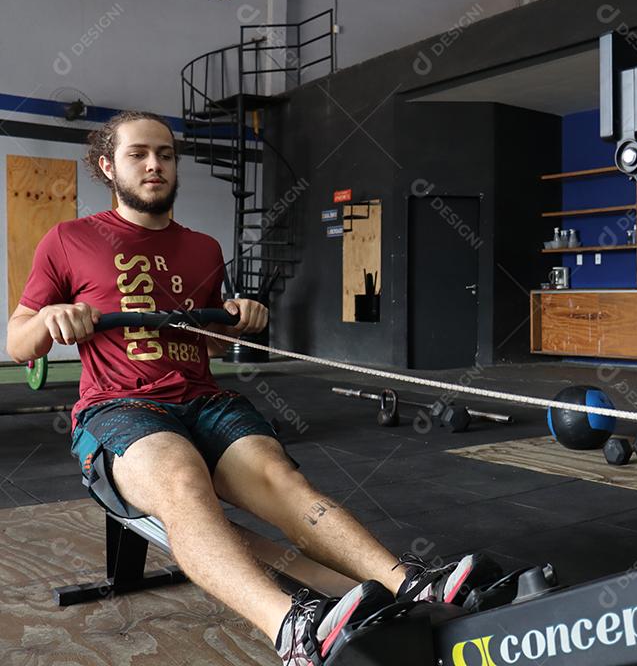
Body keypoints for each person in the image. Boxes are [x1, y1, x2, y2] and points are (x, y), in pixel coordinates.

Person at [5, 111, 498, 665]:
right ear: (106, 165)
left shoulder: (204, 248)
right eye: (138, 153)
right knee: (181, 481)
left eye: (165, 155)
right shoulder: (68, 239)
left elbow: (205, 342)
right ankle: (289, 627)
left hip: (204, 401)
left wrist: (240, 318)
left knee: (282, 481)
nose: (154, 165)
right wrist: (52, 319)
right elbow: (19, 341)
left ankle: (411, 583)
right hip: (121, 407)